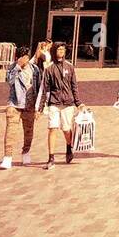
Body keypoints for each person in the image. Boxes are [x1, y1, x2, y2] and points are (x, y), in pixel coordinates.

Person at [38, 41, 81, 169]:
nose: (61, 51)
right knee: (52, 128)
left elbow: (74, 86)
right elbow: (44, 88)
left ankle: (69, 147)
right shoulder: (49, 68)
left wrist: (78, 103)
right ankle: (51, 158)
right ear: (54, 51)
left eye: (63, 49)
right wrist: (40, 107)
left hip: (68, 103)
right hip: (54, 103)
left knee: (66, 129)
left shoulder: (70, 67)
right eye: (58, 49)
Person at [0, 46, 35, 170]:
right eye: (22, 57)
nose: (25, 60)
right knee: (11, 131)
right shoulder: (12, 67)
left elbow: (40, 85)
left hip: (29, 104)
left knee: (29, 131)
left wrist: (40, 106)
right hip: (14, 103)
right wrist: (17, 67)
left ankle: (26, 152)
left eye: (26, 57)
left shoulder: (34, 69)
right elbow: (9, 81)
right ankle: (7, 157)